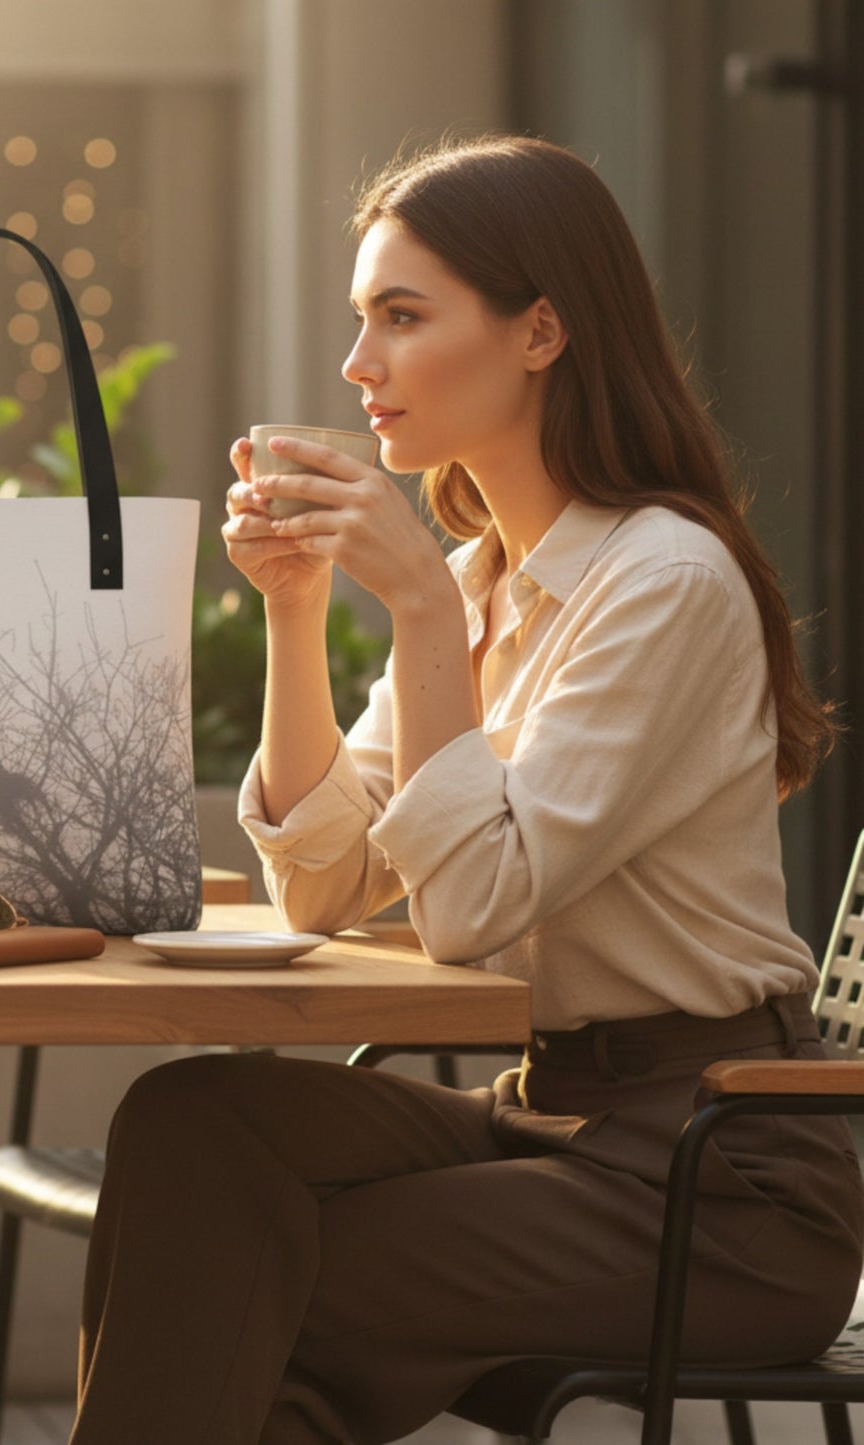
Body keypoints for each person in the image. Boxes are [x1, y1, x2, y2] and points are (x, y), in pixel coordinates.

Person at [67, 134, 864, 1445]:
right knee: (198, 1124)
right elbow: (322, 882)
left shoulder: (657, 582)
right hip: (557, 1113)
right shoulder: (488, 573)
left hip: (724, 1182)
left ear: (539, 328)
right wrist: (295, 609)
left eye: (400, 315)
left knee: (272, 1279)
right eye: (358, 319)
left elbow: (471, 904)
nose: (355, 364)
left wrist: (422, 610)